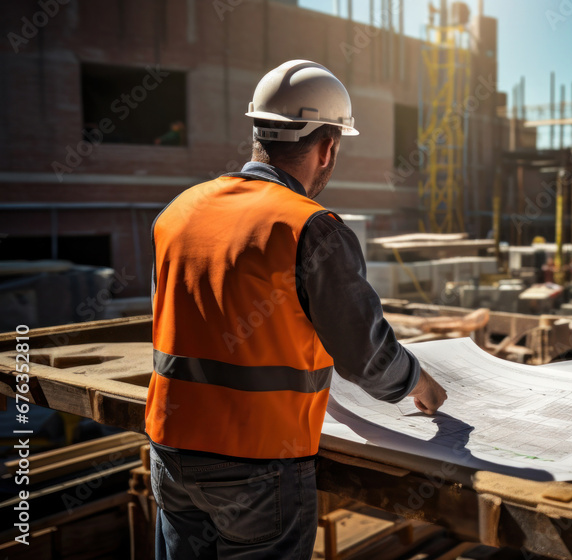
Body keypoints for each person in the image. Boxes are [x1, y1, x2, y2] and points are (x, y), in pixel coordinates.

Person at [144, 60, 447, 560]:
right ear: (328, 147)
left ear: (259, 131)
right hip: (258, 463)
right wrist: (418, 381)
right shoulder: (310, 227)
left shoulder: (178, 211)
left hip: (170, 451)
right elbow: (366, 358)